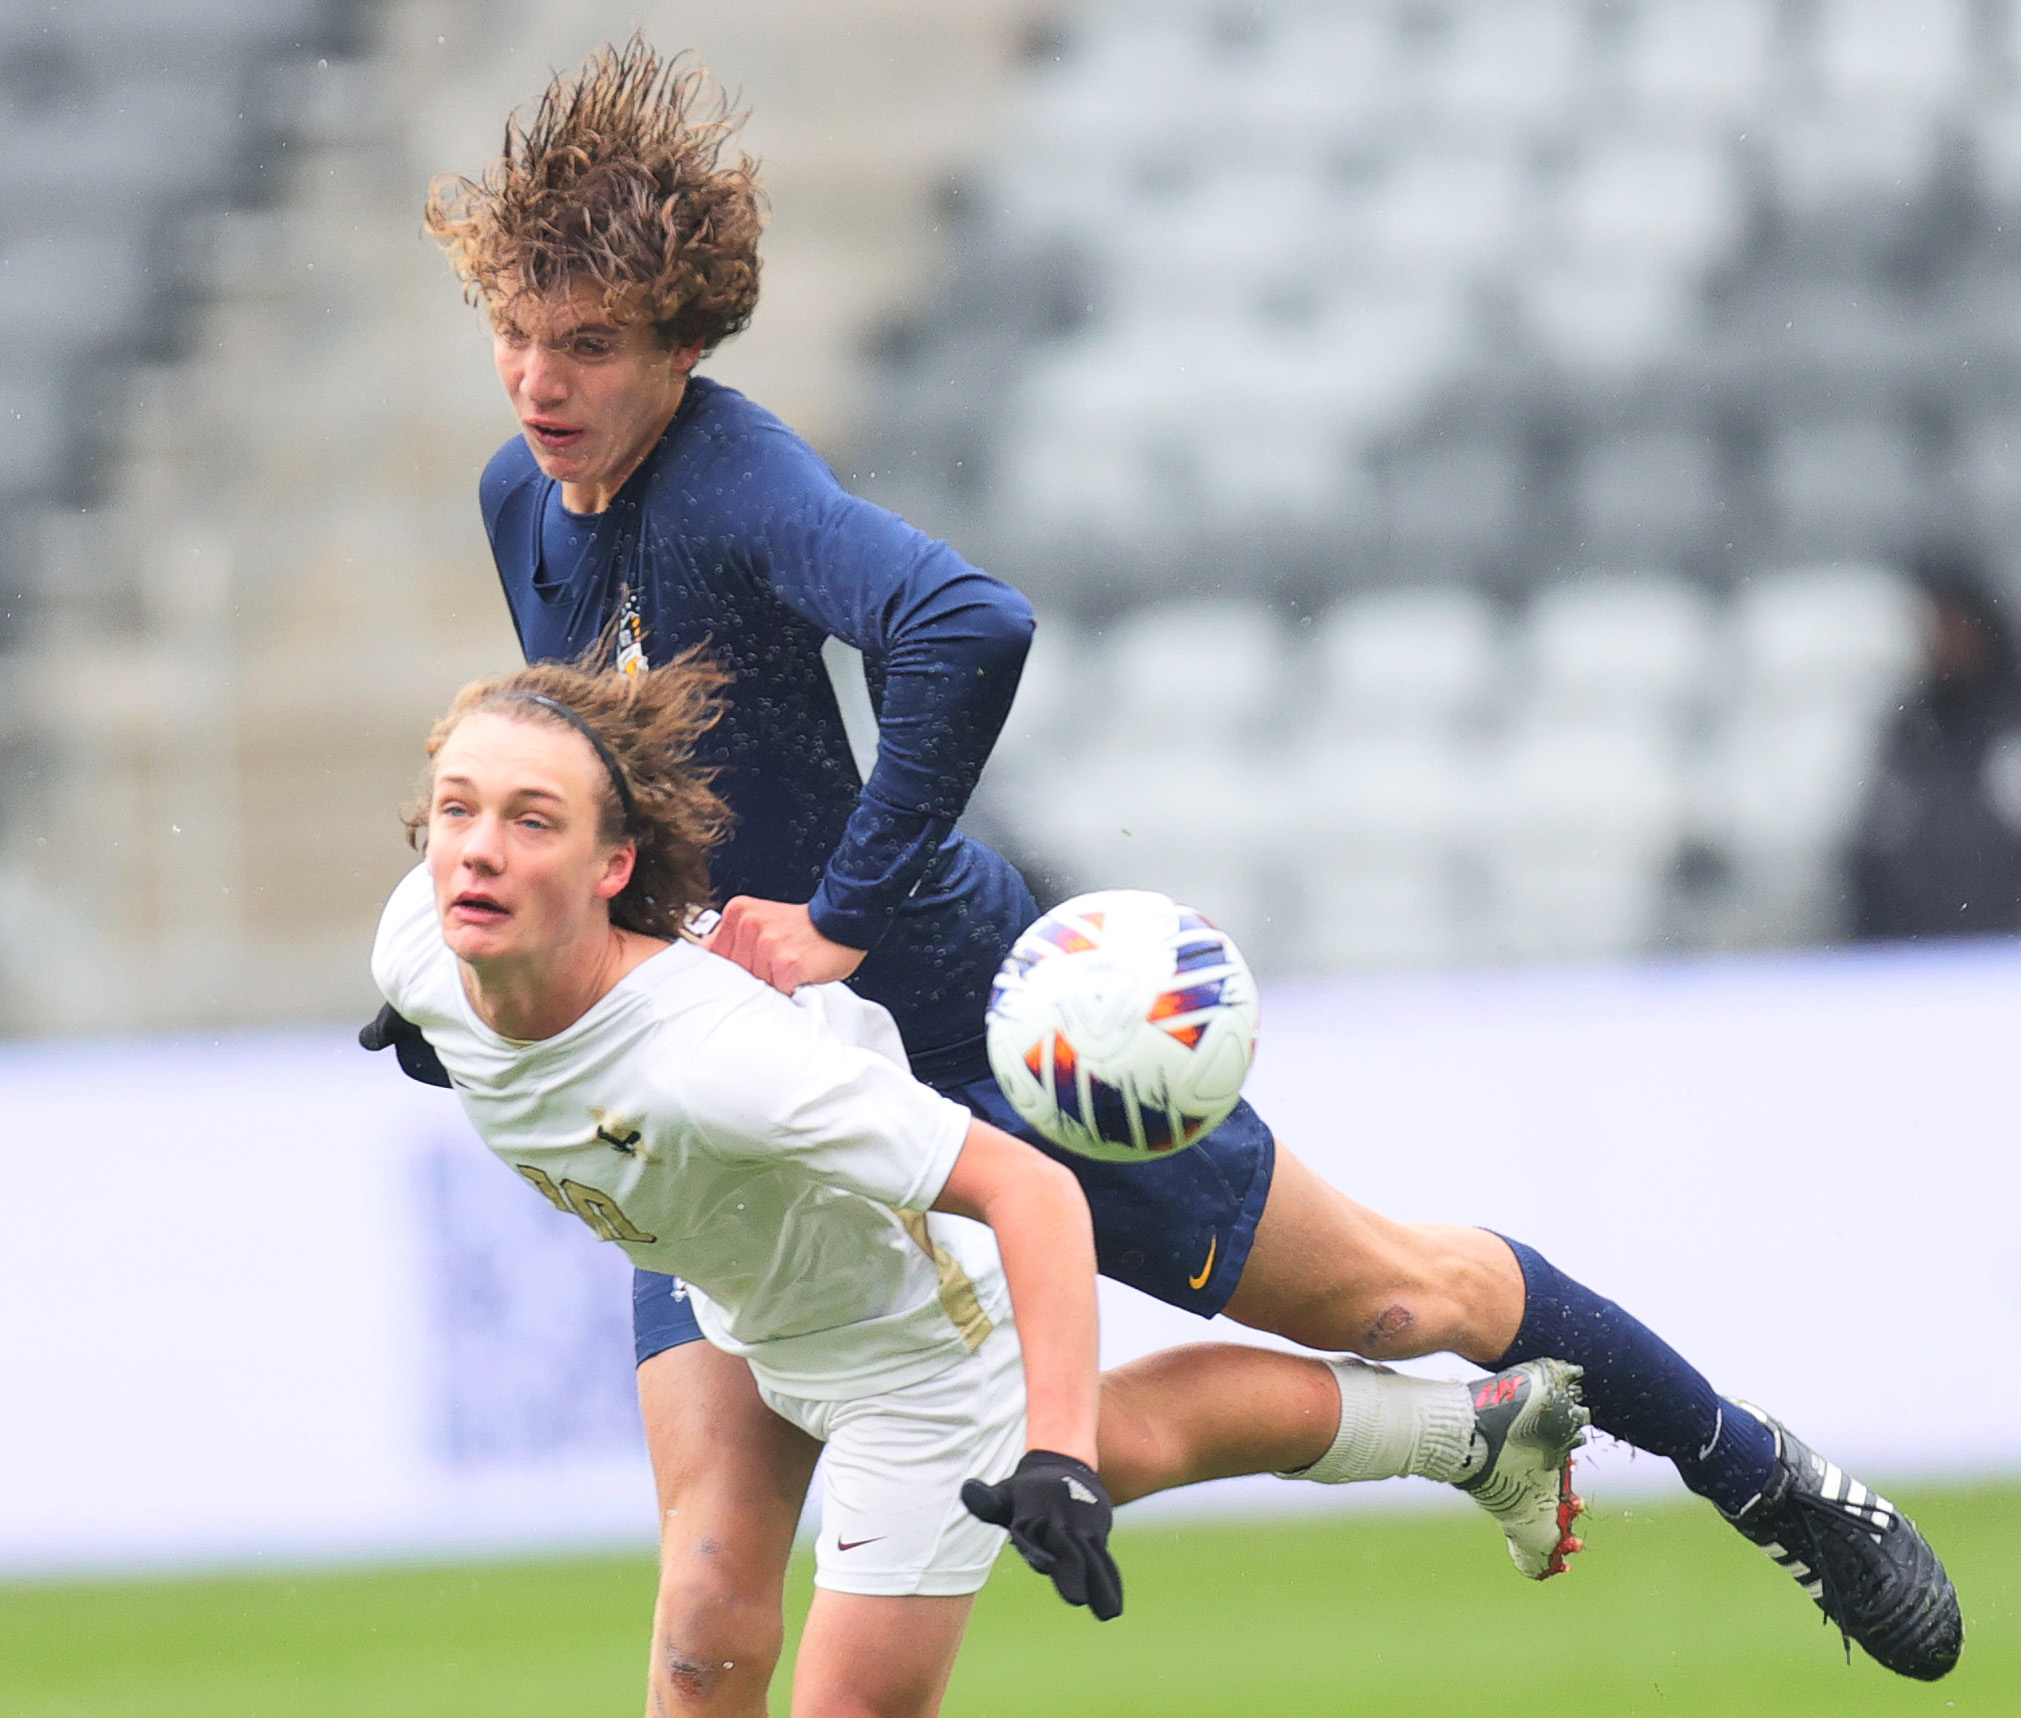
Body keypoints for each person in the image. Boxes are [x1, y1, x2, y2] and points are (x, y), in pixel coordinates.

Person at [382, 38, 1961, 1700]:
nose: (537, 382)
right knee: (710, 1601)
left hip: (943, 1017)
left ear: (684, 342)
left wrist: (845, 911)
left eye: (588, 346)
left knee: (1390, 1290)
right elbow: (600, 785)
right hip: (718, 1078)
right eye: (513, 335)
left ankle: (1761, 1471)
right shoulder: (524, 498)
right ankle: (1465, 1439)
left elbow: (964, 621)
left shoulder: (729, 472)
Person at [371, 654, 1593, 1718]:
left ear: (611, 864)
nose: (479, 846)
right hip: (757, 1296)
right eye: (457, 810)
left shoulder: (714, 1062)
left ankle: (1451, 1430)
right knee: (700, 1643)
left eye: (533, 820)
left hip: (919, 1348)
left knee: (1059, 1470)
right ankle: (1469, 1430)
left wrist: (1055, 1455)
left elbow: (1030, 1190)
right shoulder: (422, 941)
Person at [1851, 547, 2021, 938]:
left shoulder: (2009, 724)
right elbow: (1874, 851)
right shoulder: (1910, 730)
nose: (1943, 641)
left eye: (1954, 625)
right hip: (1922, 957)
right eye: (1934, 627)